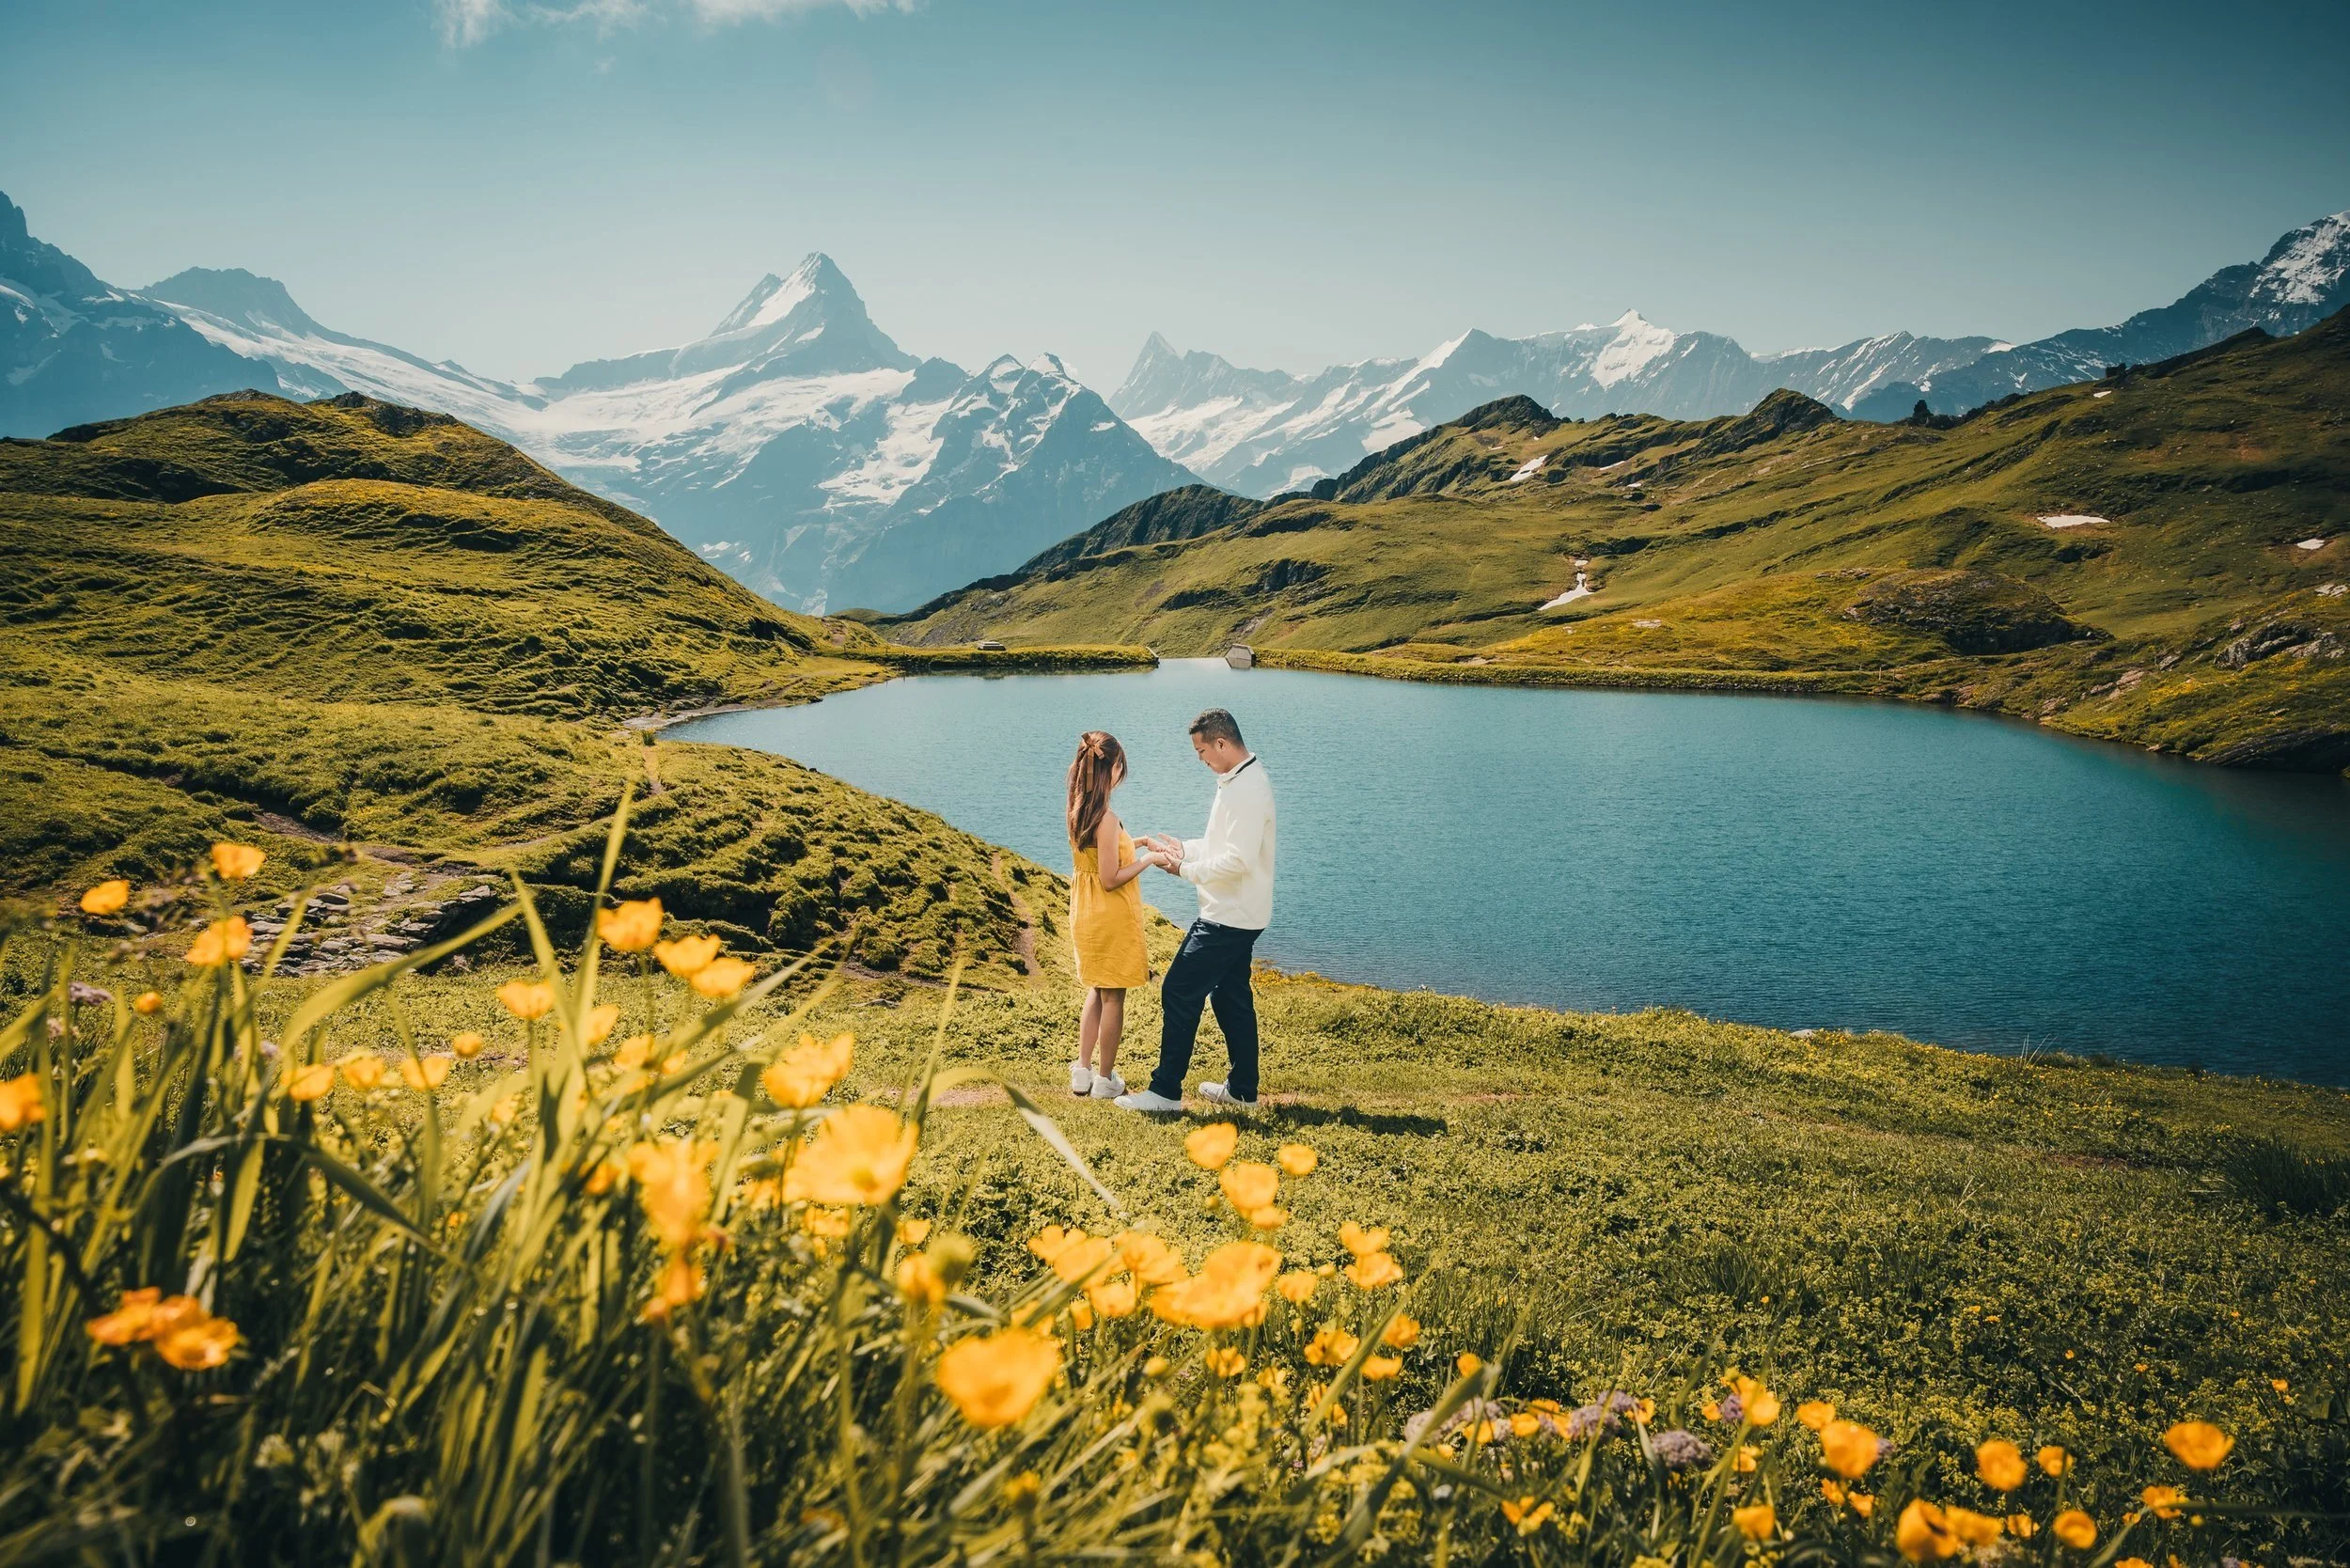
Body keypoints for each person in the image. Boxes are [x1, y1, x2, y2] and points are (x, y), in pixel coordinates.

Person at [1116, 708, 1275, 1113]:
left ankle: (1165, 1092)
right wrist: (1184, 848)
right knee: (1230, 997)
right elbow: (1222, 846)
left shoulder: (1247, 789)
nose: (1199, 758)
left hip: (1228, 915)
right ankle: (1242, 1092)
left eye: (1202, 750)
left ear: (1222, 744)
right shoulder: (1236, 780)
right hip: (1239, 911)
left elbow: (1238, 860)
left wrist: (1184, 869)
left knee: (1178, 990)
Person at [1064, 730, 1157, 1100]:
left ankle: (1083, 1072)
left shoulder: (1079, 809)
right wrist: (1148, 860)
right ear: (1113, 768)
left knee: (1097, 989)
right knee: (1114, 996)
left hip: (1085, 914)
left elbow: (1099, 855)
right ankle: (1106, 1080)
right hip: (1108, 914)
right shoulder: (1106, 817)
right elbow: (1110, 877)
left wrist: (1139, 841)